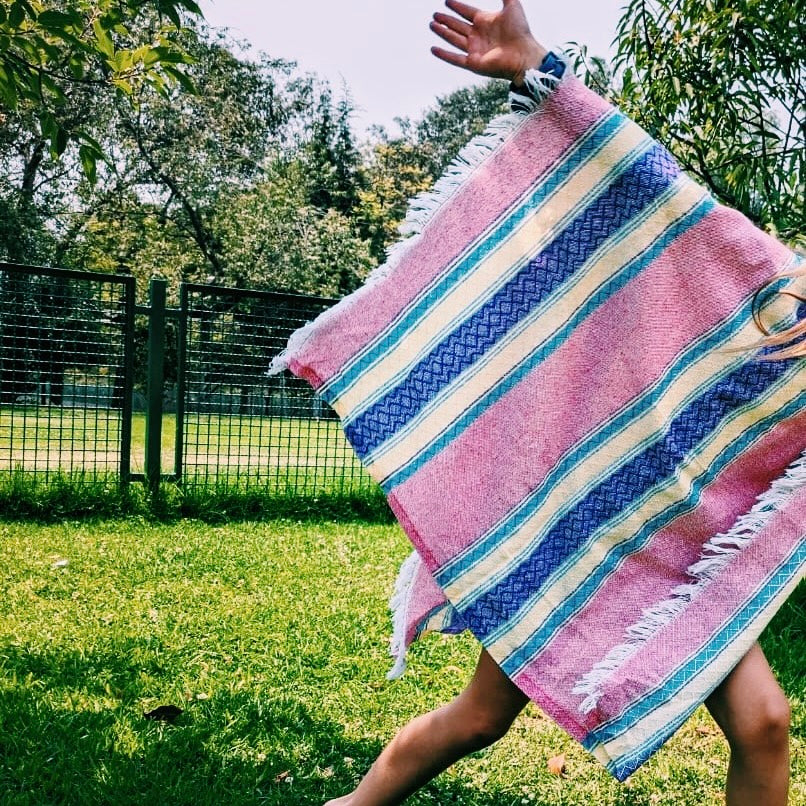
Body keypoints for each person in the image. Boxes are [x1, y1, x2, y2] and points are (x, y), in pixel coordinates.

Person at [324, 2, 793, 804]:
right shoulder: (770, 282)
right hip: (581, 525)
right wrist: (537, 65)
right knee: (480, 718)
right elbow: (652, 184)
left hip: (691, 547)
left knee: (763, 725)